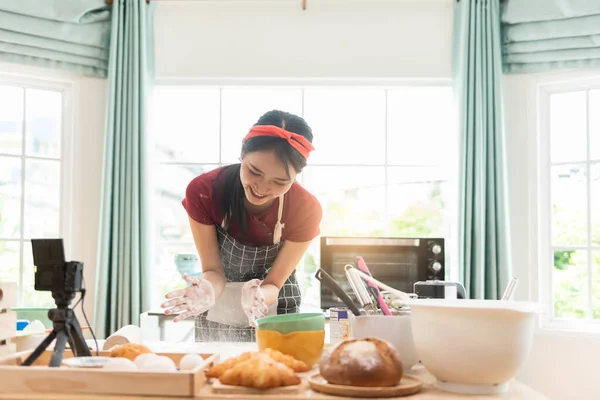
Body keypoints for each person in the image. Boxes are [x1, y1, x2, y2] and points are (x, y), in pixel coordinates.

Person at [161, 110, 322, 342]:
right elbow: (214, 272)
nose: (262, 188)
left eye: (280, 182)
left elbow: (274, 283)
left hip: (271, 303)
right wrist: (205, 289)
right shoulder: (205, 191)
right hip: (217, 300)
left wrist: (258, 296)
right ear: (242, 153)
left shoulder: (306, 209)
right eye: (254, 172)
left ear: (296, 176)